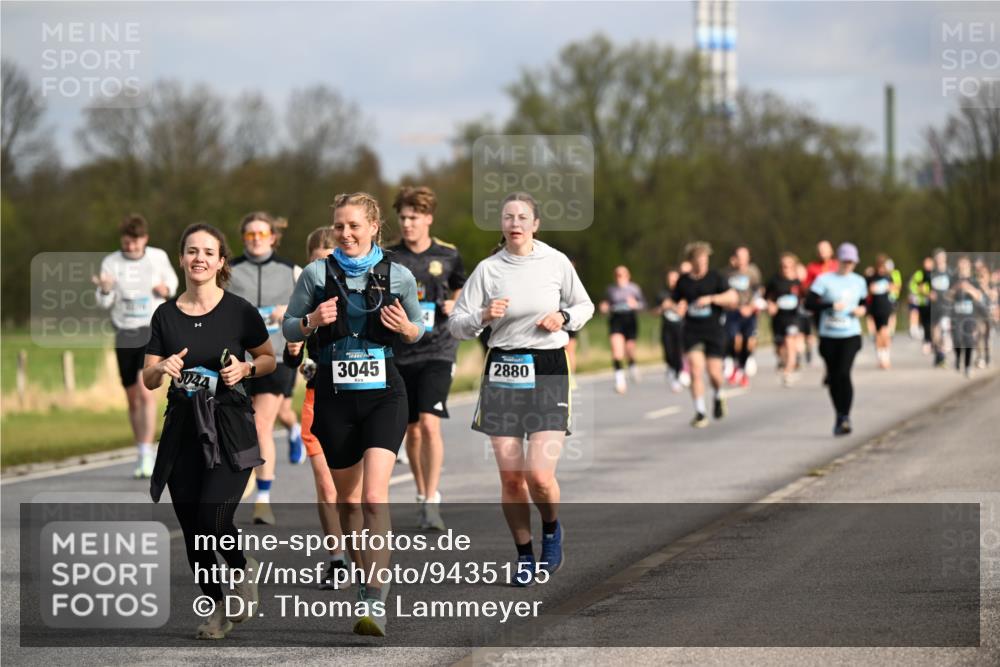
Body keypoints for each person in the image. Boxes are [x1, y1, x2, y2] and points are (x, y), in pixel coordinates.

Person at [283, 192, 425, 637]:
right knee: (347, 502)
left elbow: (418, 327)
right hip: (334, 395)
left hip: (385, 393)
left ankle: (376, 597)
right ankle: (362, 582)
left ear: (373, 227)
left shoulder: (398, 275)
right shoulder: (314, 274)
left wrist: (407, 329)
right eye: (339, 227)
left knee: (372, 497)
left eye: (354, 227)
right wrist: (311, 322)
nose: (345, 234)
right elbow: (288, 327)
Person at [448, 192, 594, 587]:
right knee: (512, 478)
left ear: (535, 224)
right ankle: (524, 555)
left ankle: (551, 530)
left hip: (547, 367)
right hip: (503, 370)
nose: (515, 223)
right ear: (502, 224)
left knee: (539, 475)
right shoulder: (488, 270)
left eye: (522, 216)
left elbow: (586, 306)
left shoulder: (555, 262)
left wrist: (563, 316)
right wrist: (481, 315)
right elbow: (456, 325)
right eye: (508, 216)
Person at [143, 223, 276, 640]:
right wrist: (161, 368)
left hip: (230, 428)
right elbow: (146, 377)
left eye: (207, 252)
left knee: (212, 516)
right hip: (184, 429)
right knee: (192, 527)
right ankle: (217, 605)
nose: (198, 258)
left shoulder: (239, 311)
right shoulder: (165, 314)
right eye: (191, 251)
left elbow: (269, 358)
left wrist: (246, 368)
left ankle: (240, 568)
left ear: (221, 262)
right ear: (181, 258)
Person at [388, 186, 467, 531]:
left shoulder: (448, 255)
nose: (407, 224)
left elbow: (462, 287)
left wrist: (456, 303)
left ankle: (432, 498)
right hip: (400, 350)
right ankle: (421, 495)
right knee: (412, 431)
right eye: (403, 218)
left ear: (428, 219)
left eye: (413, 218)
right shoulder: (388, 257)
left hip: (438, 348)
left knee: (430, 424)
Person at [282, 227, 349, 586]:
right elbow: (291, 356)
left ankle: (365, 554)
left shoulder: (359, 295)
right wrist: (294, 351)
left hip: (358, 399)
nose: (323, 265)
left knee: (356, 492)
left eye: (329, 257)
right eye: (316, 259)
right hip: (316, 399)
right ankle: (337, 560)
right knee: (326, 485)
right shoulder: (304, 299)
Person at [229, 212, 303, 526]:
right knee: (236, 427)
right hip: (236, 360)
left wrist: (292, 312)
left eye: (262, 234)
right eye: (250, 235)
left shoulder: (291, 271)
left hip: (277, 357)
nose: (256, 240)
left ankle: (262, 499)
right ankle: (294, 431)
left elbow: (310, 311)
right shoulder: (229, 270)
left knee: (260, 426)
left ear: (273, 237)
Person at [93, 214, 179, 478]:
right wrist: (106, 290)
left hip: (150, 330)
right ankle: (140, 450)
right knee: (131, 397)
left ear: (145, 239)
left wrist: (165, 289)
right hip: (124, 332)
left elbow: (173, 285)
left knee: (145, 392)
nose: (130, 247)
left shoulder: (157, 257)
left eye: (135, 242)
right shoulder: (111, 262)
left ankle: (148, 451)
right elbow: (102, 303)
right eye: (126, 242)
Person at [664, 242, 738, 428]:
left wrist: (711, 299)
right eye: (699, 260)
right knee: (696, 370)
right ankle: (700, 412)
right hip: (692, 331)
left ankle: (719, 394)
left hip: (714, 330)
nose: (702, 263)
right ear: (691, 261)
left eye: (705, 260)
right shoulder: (684, 281)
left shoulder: (716, 277)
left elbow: (733, 298)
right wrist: (676, 307)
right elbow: (670, 301)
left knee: (714, 373)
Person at [806, 242, 867, 436]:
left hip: (851, 334)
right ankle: (839, 415)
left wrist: (862, 310)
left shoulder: (858, 281)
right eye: (845, 261)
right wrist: (830, 304)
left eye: (852, 262)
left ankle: (845, 417)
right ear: (838, 260)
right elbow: (809, 303)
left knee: (843, 373)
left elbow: (865, 303)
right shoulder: (825, 280)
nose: (849, 264)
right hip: (828, 336)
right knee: (833, 377)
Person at [599, 266, 646, 394]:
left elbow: (643, 305)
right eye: (617, 275)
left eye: (622, 275)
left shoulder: (634, 288)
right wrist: (604, 307)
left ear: (627, 276)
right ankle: (620, 381)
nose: (619, 277)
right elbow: (605, 304)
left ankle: (632, 364)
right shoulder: (610, 289)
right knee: (616, 351)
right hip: (616, 321)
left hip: (630, 320)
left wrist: (636, 305)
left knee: (629, 350)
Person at [723, 246, 763, 388]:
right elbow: (723, 291)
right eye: (738, 257)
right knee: (736, 340)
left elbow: (758, 290)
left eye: (744, 257)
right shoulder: (728, 273)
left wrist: (751, 306)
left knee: (749, 341)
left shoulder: (753, 271)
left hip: (749, 312)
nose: (741, 260)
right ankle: (735, 365)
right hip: (733, 312)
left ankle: (742, 369)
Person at [765, 253, 804, 387]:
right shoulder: (774, 281)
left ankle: (788, 371)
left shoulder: (798, 282)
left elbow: (806, 297)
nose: (785, 268)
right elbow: (766, 297)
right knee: (780, 348)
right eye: (783, 266)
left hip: (793, 318)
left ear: (793, 266)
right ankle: (786, 361)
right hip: (778, 319)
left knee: (790, 342)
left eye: (788, 266)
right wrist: (770, 305)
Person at [803, 240, 839, 367]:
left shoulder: (837, 266)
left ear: (831, 251)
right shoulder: (812, 267)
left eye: (824, 249)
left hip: (836, 308)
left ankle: (836, 362)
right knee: (824, 337)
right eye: (820, 250)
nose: (822, 252)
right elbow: (806, 287)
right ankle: (829, 364)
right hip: (819, 308)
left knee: (837, 336)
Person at [948, 255, 986, 378]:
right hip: (956, 316)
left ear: (969, 266)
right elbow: (947, 296)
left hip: (970, 316)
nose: (963, 266)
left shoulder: (974, 280)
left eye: (965, 264)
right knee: (957, 340)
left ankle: (968, 366)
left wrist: (969, 289)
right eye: (961, 264)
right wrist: (956, 288)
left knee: (969, 341)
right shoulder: (953, 279)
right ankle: (958, 358)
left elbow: (979, 296)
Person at [866, 254, 900, 370]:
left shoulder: (888, 277)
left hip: (886, 307)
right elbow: (867, 291)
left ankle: (886, 357)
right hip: (875, 308)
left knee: (885, 332)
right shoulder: (871, 277)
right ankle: (880, 357)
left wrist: (890, 288)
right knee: (878, 334)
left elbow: (895, 289)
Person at [656, 267, 686, 393]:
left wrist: (672, 306)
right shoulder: (663, 293)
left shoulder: (684, 293)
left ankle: (677, 377)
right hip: (667, 327)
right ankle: (670, 368)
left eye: (675, 279)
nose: (672, 281)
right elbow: (656, 310)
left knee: (678, 353)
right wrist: (664, 307)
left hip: (680, 327)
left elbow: (682, 310)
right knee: (668, 352)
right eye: (670, 279)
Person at [928, 248, 954, 368]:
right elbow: (924, 288)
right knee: (935, 333)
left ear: (945, 259)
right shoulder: (931, 273)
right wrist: (928, 293)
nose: (939, 260)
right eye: (937, 258)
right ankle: (938, 354)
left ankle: (943, 356)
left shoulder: (950, 273)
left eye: (941, 258)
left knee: (944, 328)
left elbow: (955, 288)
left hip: (946, 306)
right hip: (934, 306)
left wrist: (951, 294)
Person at [908, 257, 934, 353]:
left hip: (936, 302)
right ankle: (927, 342)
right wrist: (920, 290)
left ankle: (936, 343)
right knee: (926, 323)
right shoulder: (920, 274)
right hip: (923, 302)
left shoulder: (937, 273)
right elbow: (912, 285)